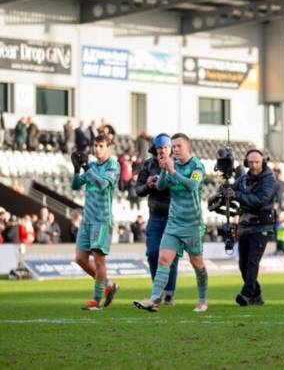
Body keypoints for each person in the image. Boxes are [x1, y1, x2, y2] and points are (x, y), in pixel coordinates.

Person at [134, 133, 208, 313]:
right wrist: (164, 171)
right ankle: (154, 299)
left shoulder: (197, 165)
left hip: (192, 223)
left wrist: (173, 171)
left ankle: (202, 300)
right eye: (173, 146)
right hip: (173, 223)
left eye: (178, 146)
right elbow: (160, 187)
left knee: (197, 263)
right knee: (163, 259)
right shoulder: (170, 165)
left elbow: (192, 185)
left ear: (187, 147)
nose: (174, 149)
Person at [70, 134, 121, 310]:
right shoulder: (91, 166)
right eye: (95, 145)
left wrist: (86, 168)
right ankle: (109, 285)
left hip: (102, 220)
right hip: (87, 220)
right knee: (80, 258)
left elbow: (101, 184)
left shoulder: (113, 165)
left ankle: (96, 300)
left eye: (100, 146)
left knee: (99, 261)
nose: (96, 149)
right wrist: (77, 170)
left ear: (108, 147)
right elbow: (75, 186)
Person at [133, 133, 180, 304]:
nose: (162, 151)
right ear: (155, 149)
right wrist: (148, 185)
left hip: (174, 217)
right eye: (159, 148)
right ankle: (158, 290)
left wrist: (171, 174)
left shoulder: (178, 163)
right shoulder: (148, 165)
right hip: (155, 216)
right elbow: (137, 189)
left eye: (166, 147)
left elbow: (183, 186)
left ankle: (169, 292)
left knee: (172, 257)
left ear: (171, 148)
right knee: (153, 253)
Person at [230, 148, 277, 306]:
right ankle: (256, 294)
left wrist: (236, 195)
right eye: (250, 162)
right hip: (245, 225)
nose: (254, 165)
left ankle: (247, 294)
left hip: (261, 226)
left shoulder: (270, 180)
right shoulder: (243, 179)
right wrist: (226, 191)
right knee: (243, 264)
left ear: (262, 162)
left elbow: (261, 200)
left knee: (252, 261)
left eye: (256, 162)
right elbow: (233, 189)